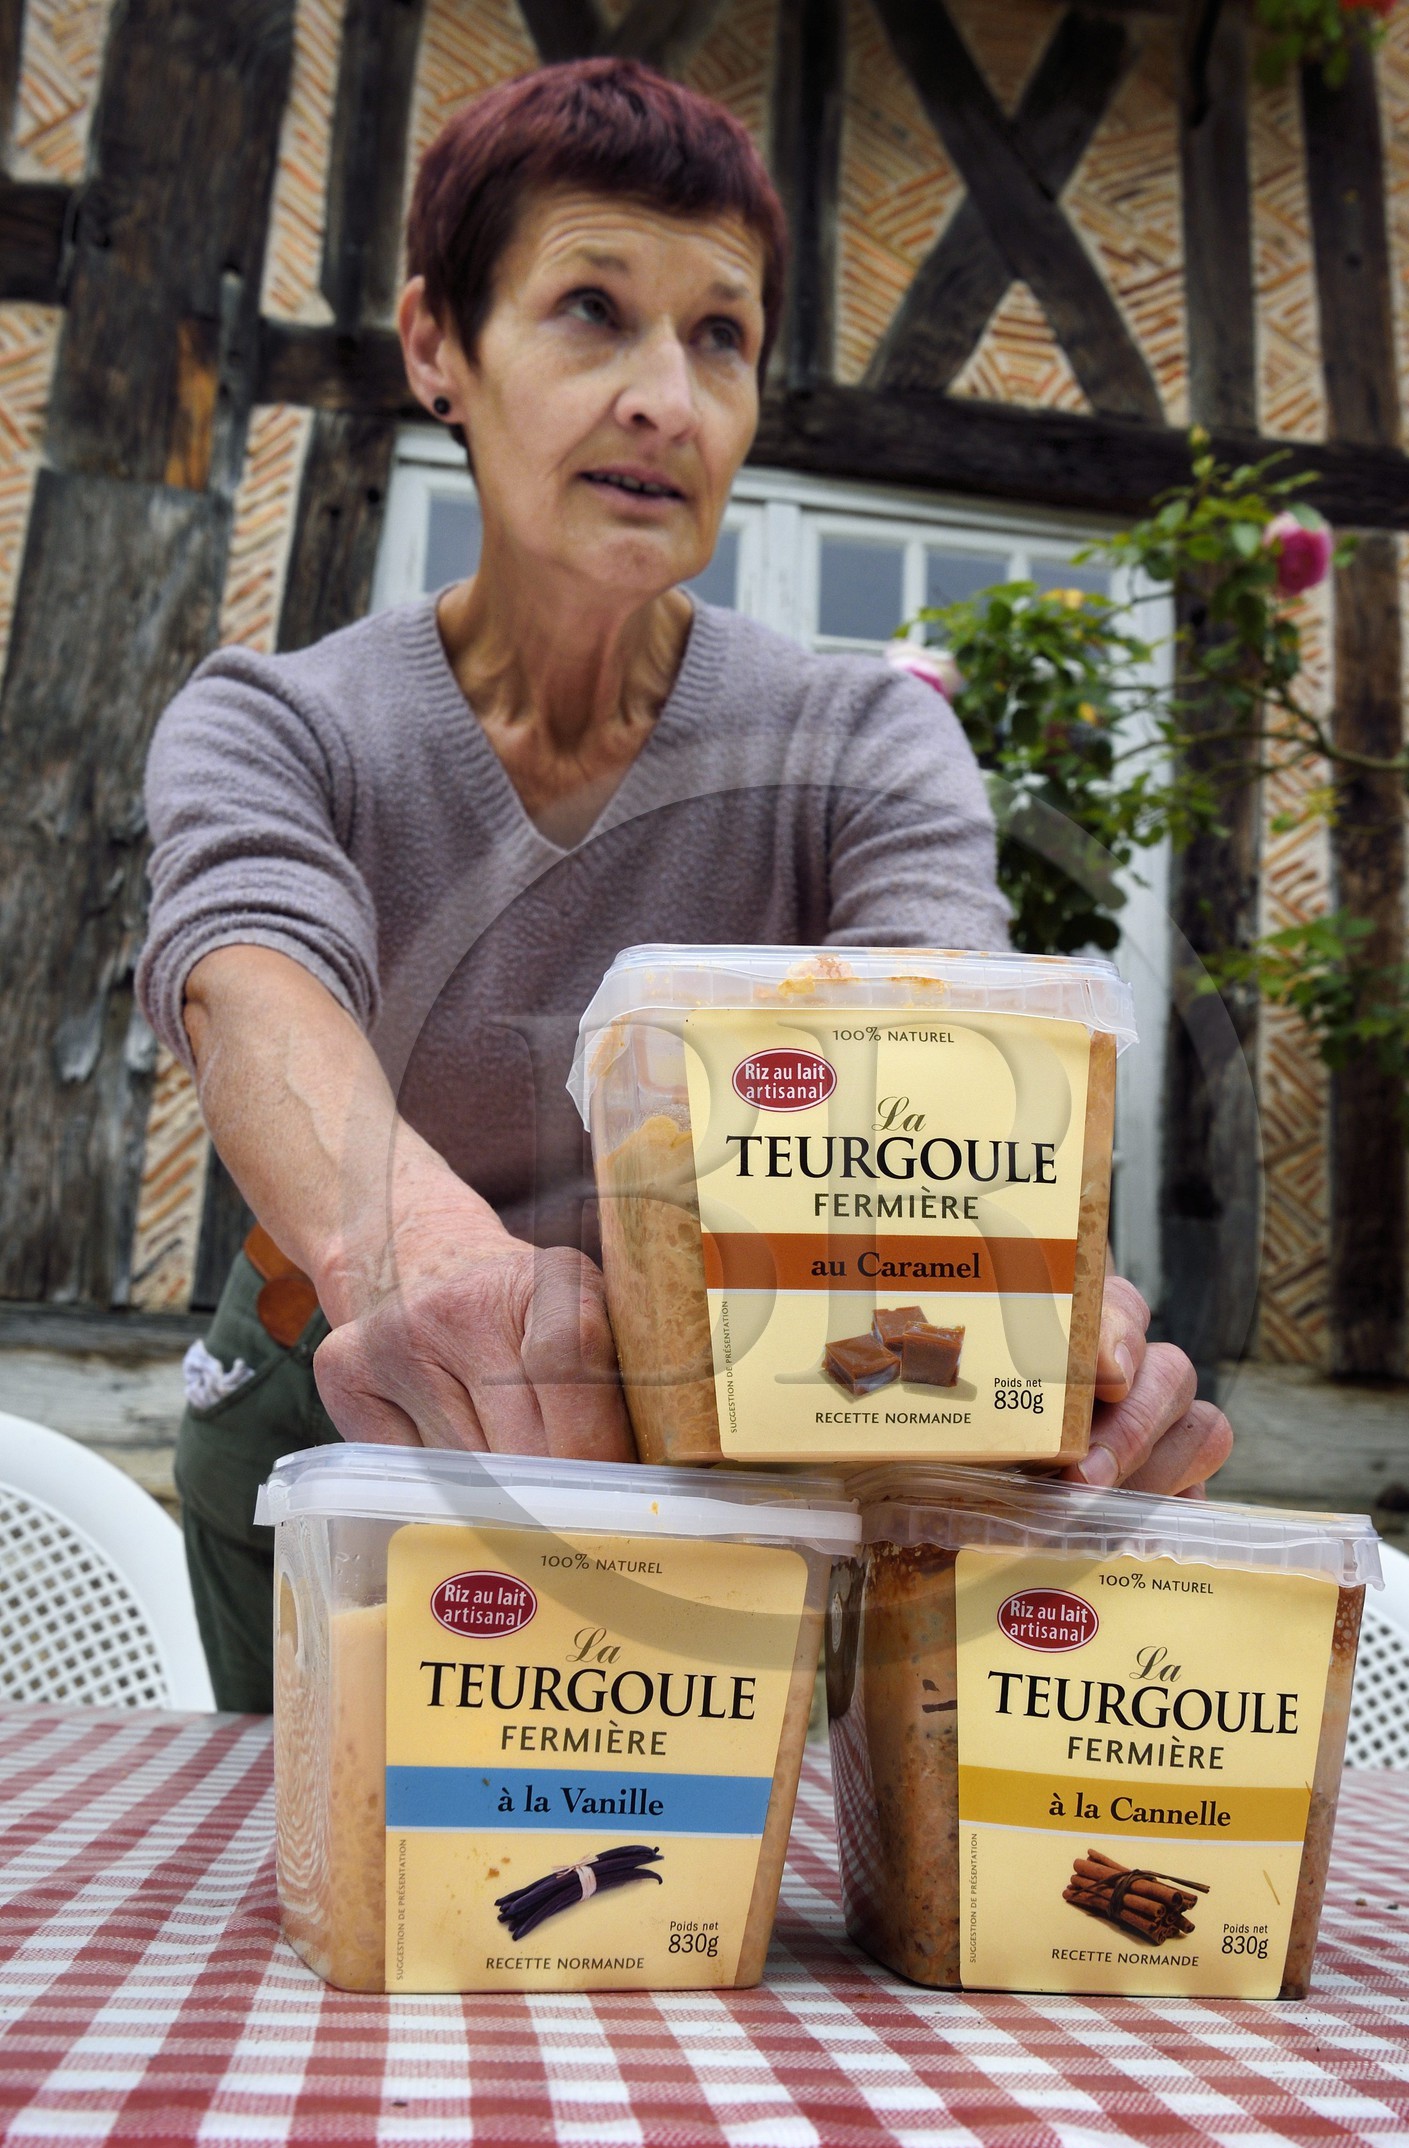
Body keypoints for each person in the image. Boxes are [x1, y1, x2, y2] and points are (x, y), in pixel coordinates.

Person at [136, 58, 1232, 1714]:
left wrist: (1033, 1323)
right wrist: (436, 1271)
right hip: (334, 1390)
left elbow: (941, 1033)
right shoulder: (276, 719)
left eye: (720, 335)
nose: (668, 396)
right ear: (439, 343)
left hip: (750, 1422)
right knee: (335, 1895)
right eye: (592, 307)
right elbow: (247, 978)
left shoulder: (865, 738)